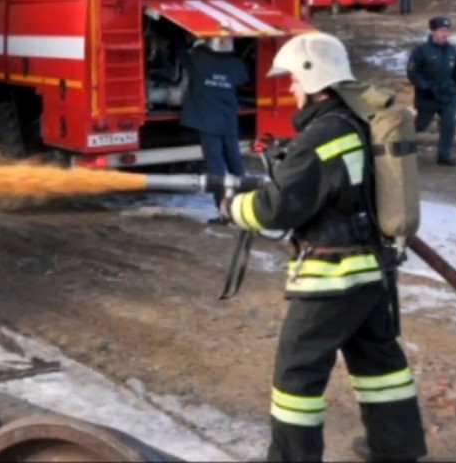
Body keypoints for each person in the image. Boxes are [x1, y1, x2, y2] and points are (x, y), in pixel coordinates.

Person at [219, 31, 427, 463]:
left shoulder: (323, 135)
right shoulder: (355, 122)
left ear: (314, 78)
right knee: (379, 365)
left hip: (333, 276)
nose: (291, 87)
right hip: (370, 270)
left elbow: (279, 209)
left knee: (296, 377)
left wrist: (236, 208)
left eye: (293, 78)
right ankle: (397, 449)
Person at [180, 34, 247, 224]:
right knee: (236, 166)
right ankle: (244, 209)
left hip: (208, 124)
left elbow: (180, 53)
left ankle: (223, 212)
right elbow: (243, 77)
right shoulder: (235, 65)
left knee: (216, 170)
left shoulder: (198, 60)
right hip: (229, 123)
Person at [406, 16, 456, 166]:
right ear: (433, 32)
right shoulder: (421, 51)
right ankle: (402, 146)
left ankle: (444, 155)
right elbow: (412, 72)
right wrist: (423, 86)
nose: (445, 34)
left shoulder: (452, 51)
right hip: (428, 96)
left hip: (448, 95)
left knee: (448, 125)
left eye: (447, 31)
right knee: (420, 125)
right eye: (442, 31)